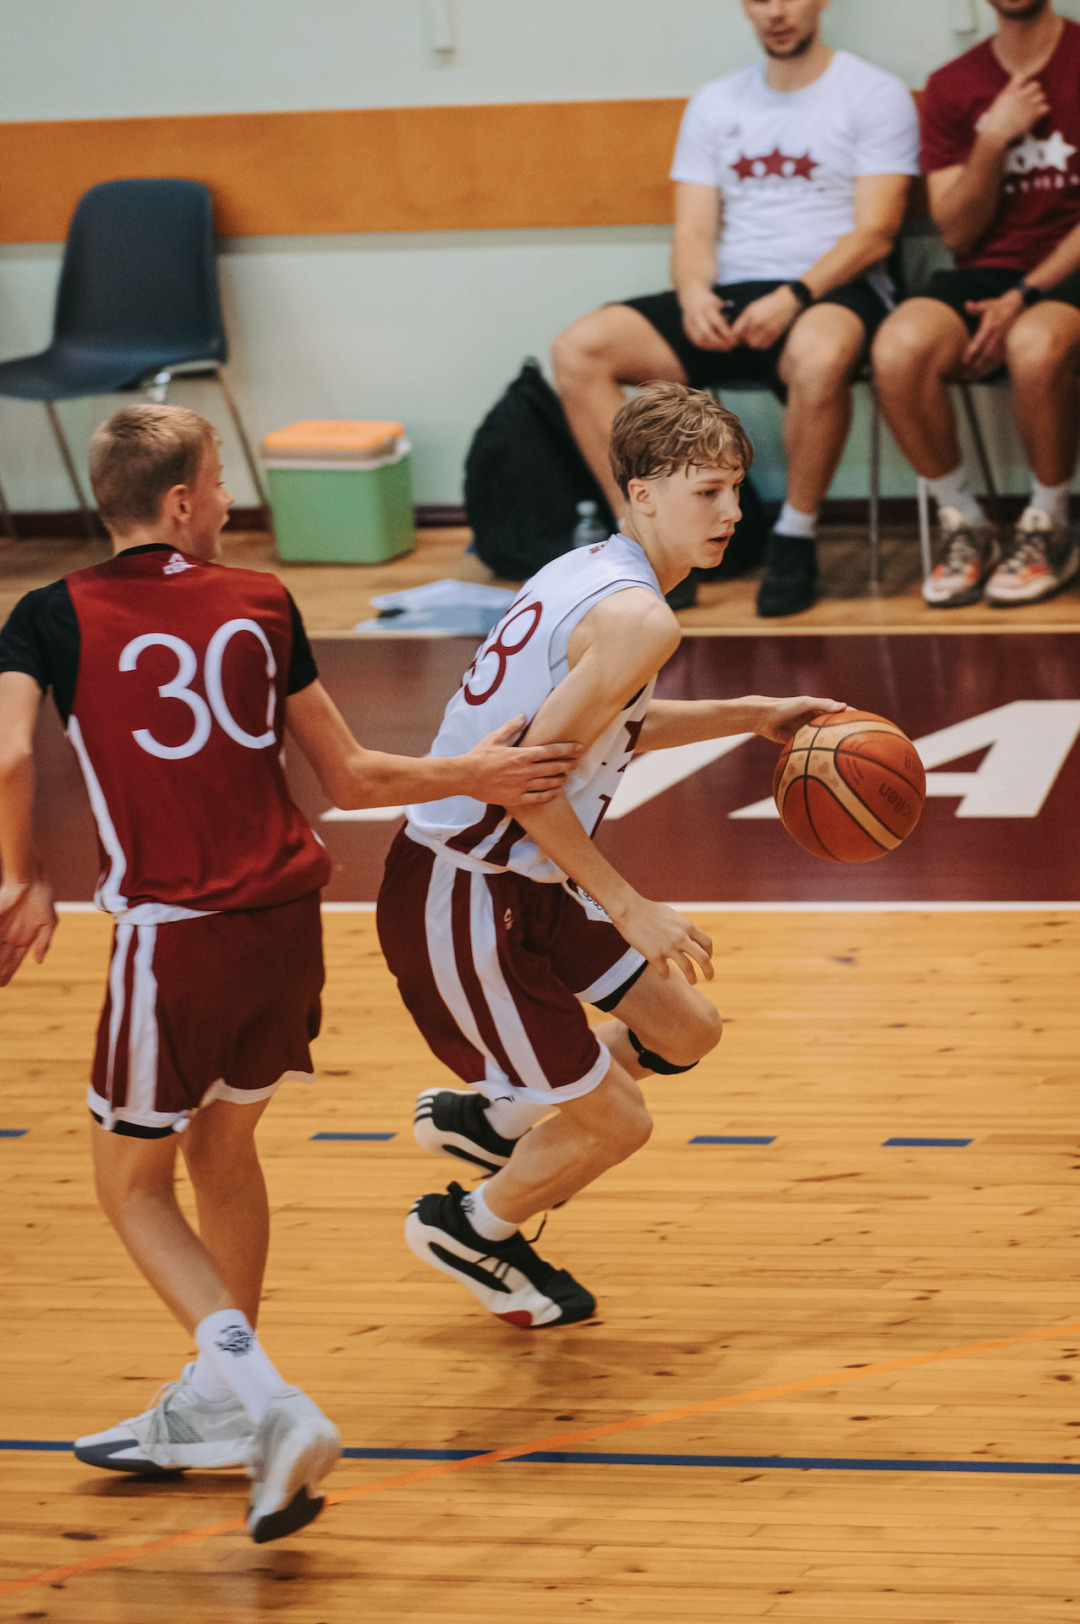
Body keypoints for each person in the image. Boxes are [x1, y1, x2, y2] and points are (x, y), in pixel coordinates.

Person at [0, 404, 580, 1541]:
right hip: (286, 929)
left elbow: (11, 751)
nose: (229, 500)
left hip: (176, 936)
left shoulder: (46, 614)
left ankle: (267, 1404)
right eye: (220, 481)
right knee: (222, 1150)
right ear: (179, 502)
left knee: (129, 1186)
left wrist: (17, 876)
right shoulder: (263, 600)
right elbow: (353, 778)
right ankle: (223, 1398)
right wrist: (476, 771)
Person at [377, 383, 842, 1328]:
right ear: (642, 494)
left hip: (532, 874)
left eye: (736, 489)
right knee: (621, 1122)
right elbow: (527, 783)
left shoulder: (592, 568)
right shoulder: (642, 618)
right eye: (707, 492)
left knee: (687, 1031)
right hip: (467, 888)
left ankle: (494, 1117)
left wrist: (753, 714)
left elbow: (602, 724)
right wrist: (630, 905)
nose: (732, 512)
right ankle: (472, 1227)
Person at [551, 0, 918, 618]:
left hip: (831, 289)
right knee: (579, 350)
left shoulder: (872, 92)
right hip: (732, 291)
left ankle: (795, 537)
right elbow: (693, 230)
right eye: (760, 0)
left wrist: (794, 296)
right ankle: (649, 543)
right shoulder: (716, 102)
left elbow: (875, 233)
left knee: (819, 353)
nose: (776, 12)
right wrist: (694, 292)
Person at [872, 0, 1080, 608]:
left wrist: (1025, 293)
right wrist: (992, 139)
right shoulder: (951, 84)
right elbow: (957, 233)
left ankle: (1049, 524)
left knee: (1033, 344)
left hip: (1066, 271)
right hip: (985, 273)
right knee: (897, 348)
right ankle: (963, 521)